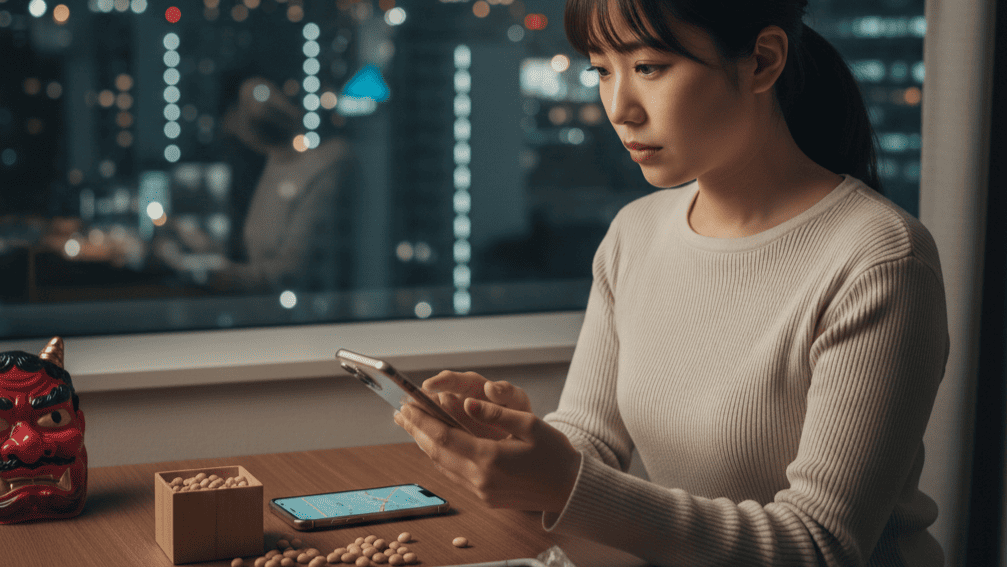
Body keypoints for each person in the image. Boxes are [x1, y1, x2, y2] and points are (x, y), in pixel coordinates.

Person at [393, 0, 949, 565]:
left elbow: (820, 544)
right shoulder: (636, 232)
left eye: (649, 68)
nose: (619, 108)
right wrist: (521, 449)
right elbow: (593, 441)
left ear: (762, 61)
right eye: (601, 70)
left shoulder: (879, 259)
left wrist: (565, 484)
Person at [158, 76, 358, 292]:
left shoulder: (324, 169)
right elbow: (259, 257)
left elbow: (288, 275)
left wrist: (215, 274)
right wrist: (204, 249)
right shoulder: (276, 163)